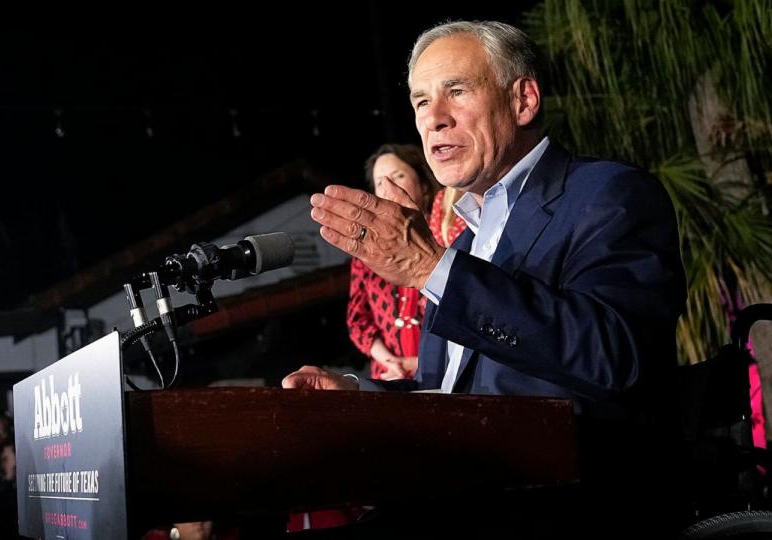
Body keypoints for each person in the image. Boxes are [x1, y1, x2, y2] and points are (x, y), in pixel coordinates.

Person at [283, 20, 687, 536]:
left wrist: (430, 269)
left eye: (457, 91)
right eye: (421, 102)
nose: (435, 119)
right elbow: (447, 398)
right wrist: (356, 393)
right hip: (452, 497)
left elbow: (614, 355)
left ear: (523, 101)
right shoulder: (463, 243)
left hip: (561, 504)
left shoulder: (609, 194)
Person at [347, 143, 439, 381]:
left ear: (424, 186)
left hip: (442, 374)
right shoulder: (366, 252)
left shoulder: (446, 238)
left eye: (398, 176)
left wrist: (417, 363)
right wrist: (392, 363)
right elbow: (358, 320)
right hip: (389, 377)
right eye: (380, 182)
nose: (388, 187)